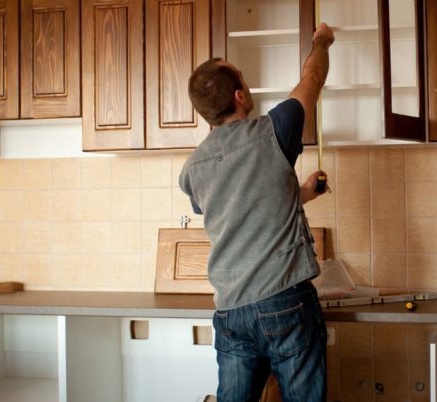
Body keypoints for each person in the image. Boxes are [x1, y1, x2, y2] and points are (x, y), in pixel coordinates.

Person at [179, 23, 335, 402]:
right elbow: (311, 79)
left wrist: (298, 195)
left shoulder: (192, 169)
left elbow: (240, 208)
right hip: (284, 302)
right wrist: (321, 41)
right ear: (239, 95)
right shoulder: (275, 130)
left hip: (232, 313)